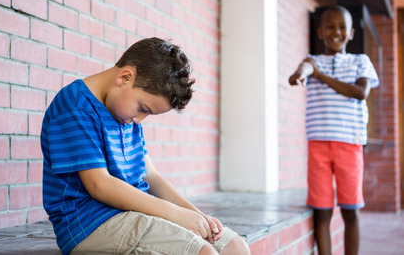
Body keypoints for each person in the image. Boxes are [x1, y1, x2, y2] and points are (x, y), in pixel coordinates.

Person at [40, 37, 250, 255]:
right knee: (203, 253)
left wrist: (197, 216)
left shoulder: (125, 113)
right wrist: (175, 214)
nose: (140, 120)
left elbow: (151, 175)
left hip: (133, 212)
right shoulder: (76, 106)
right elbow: (99, 185)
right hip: (89, 223)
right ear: (125, 77)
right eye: (143, 108)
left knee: (234, 247)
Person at [288, 6, 379, 255]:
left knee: (350, 210)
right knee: (322, 211)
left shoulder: (361, 61)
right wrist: (301, 74)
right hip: (318, 144)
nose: (335, 32)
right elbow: (305, 69)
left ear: (350, 33)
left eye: (341, 27)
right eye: (330, 26)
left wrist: (321, 76)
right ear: (320, 32)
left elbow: (360, 92)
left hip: (350, 144)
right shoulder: (313, 61)